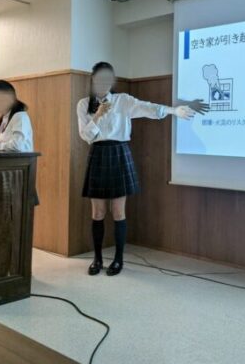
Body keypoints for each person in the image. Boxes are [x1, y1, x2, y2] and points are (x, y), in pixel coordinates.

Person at [78, 61, 199, 276]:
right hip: (98, 154)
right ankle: (97, 259)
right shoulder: (83, 104)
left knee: (118, 211)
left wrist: (173, 111)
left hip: (119, 153)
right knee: (97, 212)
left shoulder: (122, 100)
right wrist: (97, 115)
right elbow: (86, 136)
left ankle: (118, 260)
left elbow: (148, 107)